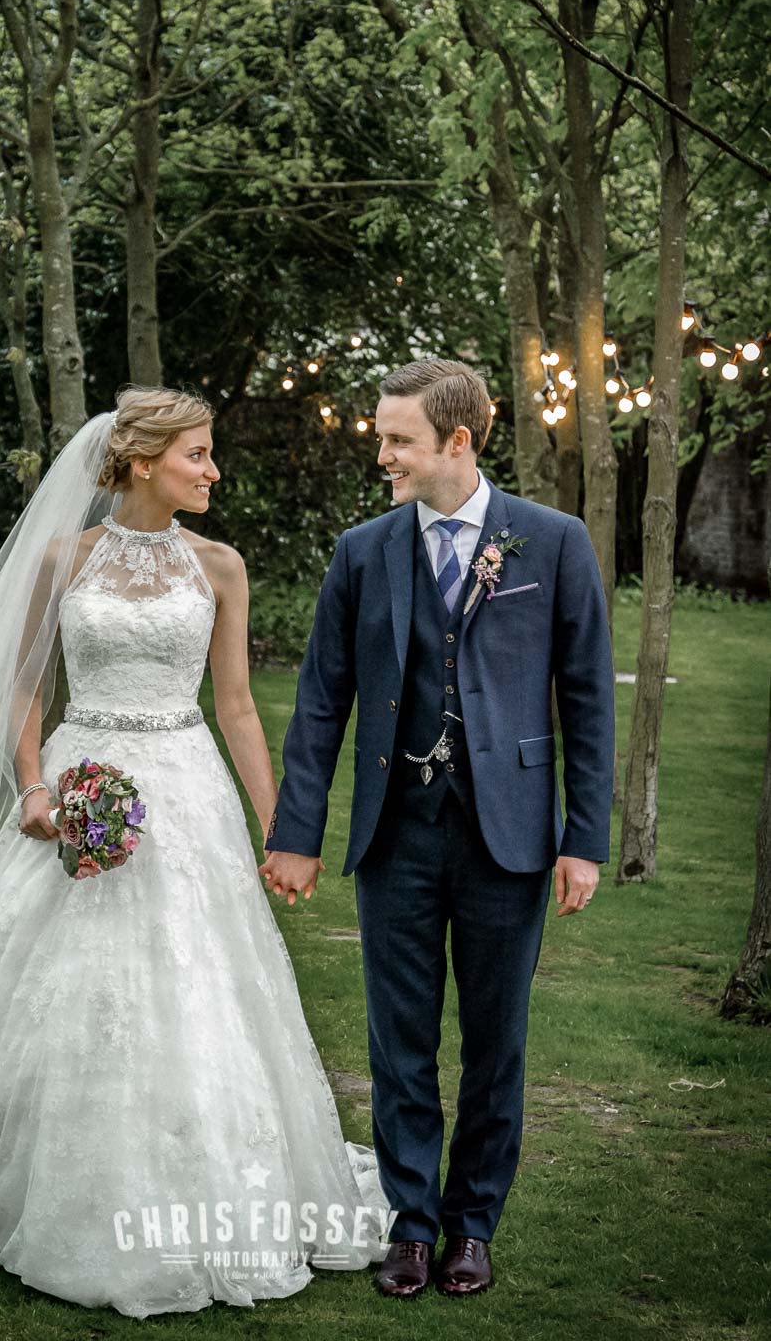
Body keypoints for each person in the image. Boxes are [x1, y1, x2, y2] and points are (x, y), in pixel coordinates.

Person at [0, 386, 388, 1320]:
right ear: (140, 461)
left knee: (193, 973)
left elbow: (237, 705)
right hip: (80, 774)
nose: (213, 470)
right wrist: (35, 785)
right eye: (198, 454)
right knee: (54, 975)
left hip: (186, 788)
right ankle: (27, 1172)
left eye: (210, 454)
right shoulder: (62, 559)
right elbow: (23, 690)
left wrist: (283, 828)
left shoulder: (221, 566)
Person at [259, 358, 614, 1300]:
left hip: (511, 834)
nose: (381, 455)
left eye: (398, 440)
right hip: (396, 833)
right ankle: (412, 1227)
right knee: (398, 1040)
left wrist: (584, 837)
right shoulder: (362, 550)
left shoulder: (552, 540)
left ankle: (472, 1227)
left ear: (457, 441)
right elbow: (321, 701)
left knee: (497, 1041)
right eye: (382, 437)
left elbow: (586, 699)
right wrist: (296, 831)